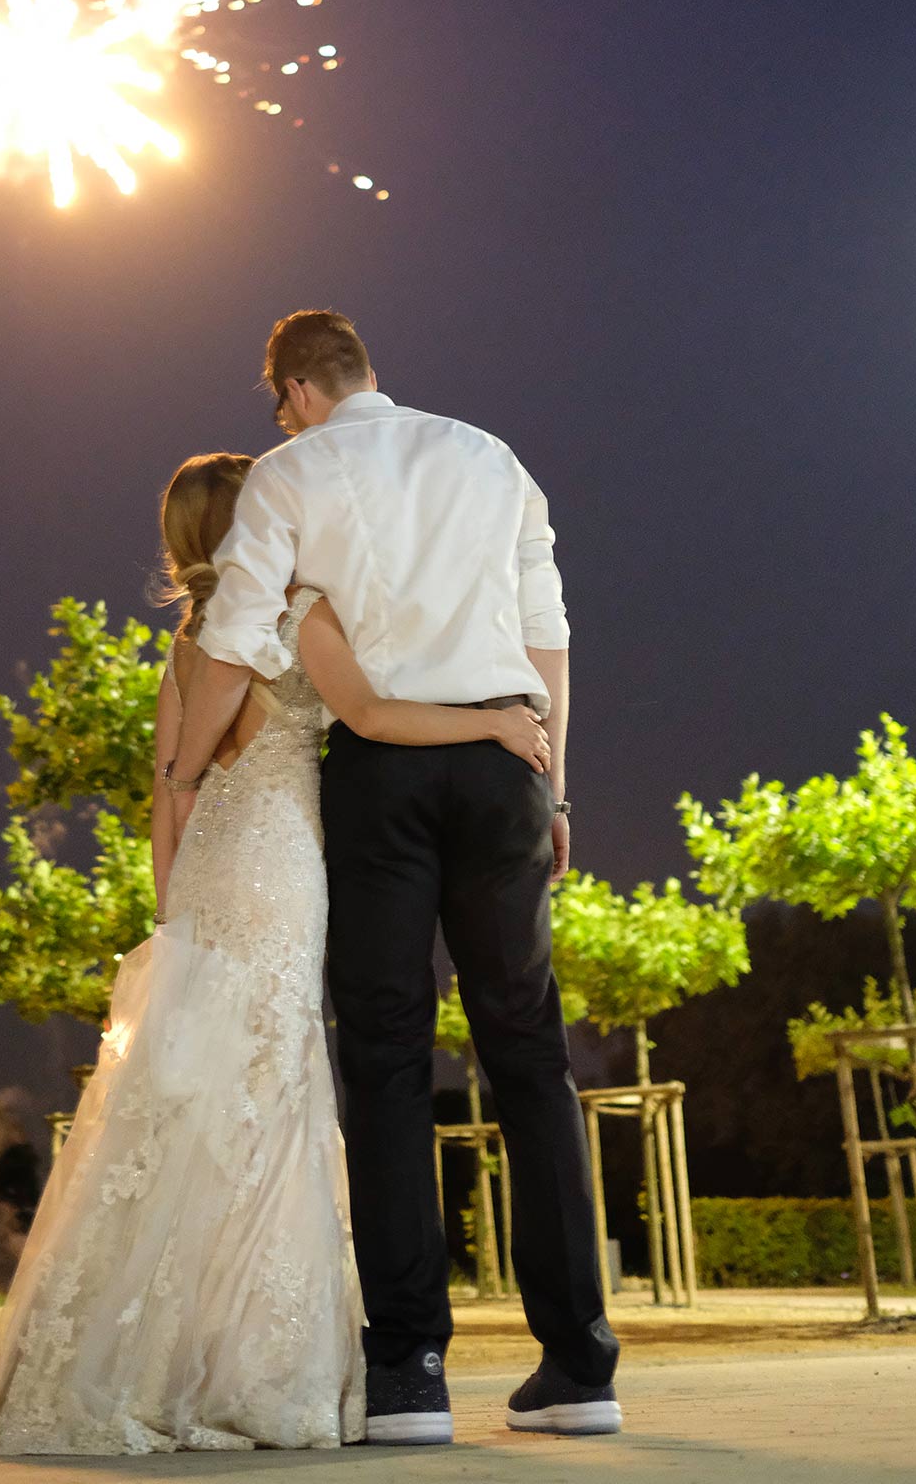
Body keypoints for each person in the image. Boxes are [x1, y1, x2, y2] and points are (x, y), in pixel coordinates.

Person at [0, 451, 551, 1458]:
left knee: (190, 1098)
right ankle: (249, 1370)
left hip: (207, 880)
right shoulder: (289, 616)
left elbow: (167, 794)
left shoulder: (188, 644)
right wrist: (492, 719)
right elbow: (365, 714)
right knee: (270, 1096)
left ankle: (144, 1355)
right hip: (280, 865)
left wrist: (171, 922)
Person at [170, 310, 621, 1442]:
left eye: (278, 402)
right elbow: (546, 630)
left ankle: (410, 1371)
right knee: (527, 1056)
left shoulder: (288, 471)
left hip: (381, 775)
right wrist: (553, 786)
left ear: (293, 392)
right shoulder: (490, 457)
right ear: (365, 372)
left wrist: (182, 772)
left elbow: (232, 637)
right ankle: (578, 1366)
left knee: (383, 1058)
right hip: (506, 758)